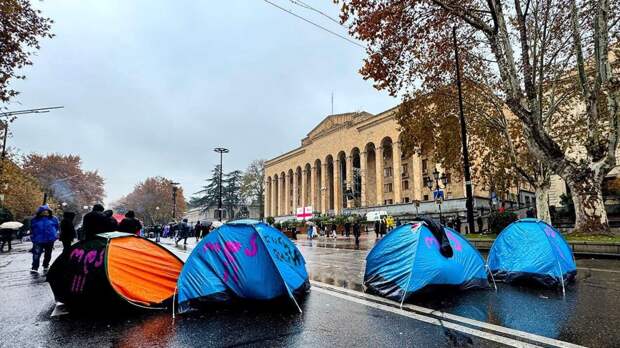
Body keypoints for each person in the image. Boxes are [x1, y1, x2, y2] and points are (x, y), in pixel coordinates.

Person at [30, 205, 59, 274]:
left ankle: (46, 265)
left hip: (49, 239)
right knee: (36, 254)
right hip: (38, 239)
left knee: (48, 254)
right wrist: (33, 237)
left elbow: (57, 227)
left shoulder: (53, 219)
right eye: (43, 211)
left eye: (47, 211)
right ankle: (34, 267)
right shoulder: (35, 219)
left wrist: (54, 235)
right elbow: (32, 228)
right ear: (40, 212)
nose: (45, 213)